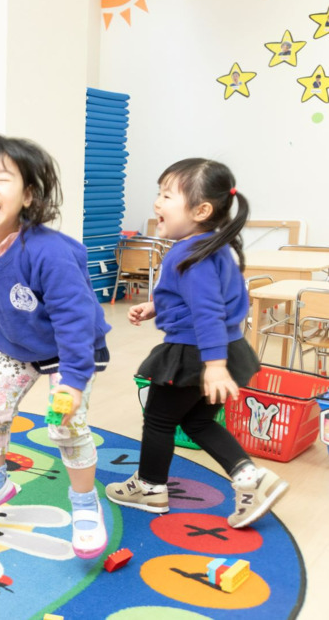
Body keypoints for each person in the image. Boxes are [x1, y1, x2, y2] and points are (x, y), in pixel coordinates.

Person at [0, 133, 110, 559]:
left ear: (28, 195)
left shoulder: (48, 252)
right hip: (17, 350)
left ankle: (86, 505)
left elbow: (75, 319)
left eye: (2, 178)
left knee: (65, 426)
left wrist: (74, 380)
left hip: (70, 352)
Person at [105, 159, 288, 528]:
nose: (157, 202)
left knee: (159, 419)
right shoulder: (213, 247)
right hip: (223, 347)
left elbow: (207, 311)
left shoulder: (189, 254)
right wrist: (157, 306)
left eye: (167, 195)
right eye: (159, 193)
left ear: (201, 210)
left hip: (198, 353)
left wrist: (214, 366)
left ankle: (150, 487)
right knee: (198, 421)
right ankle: (251, 478)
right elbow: (203, 299)